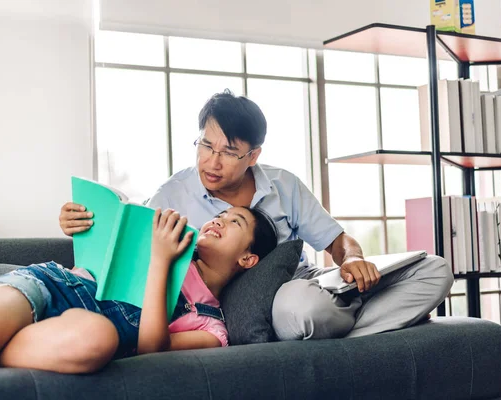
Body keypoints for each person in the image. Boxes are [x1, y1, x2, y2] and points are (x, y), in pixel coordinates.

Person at [60, 89, 454, 341]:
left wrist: (352, 258)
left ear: (253, 155)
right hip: (269, 301)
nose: (211, 162)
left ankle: (340, 325)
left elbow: (336, 240)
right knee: (299, 311)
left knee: (435, 269)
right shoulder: (173, 193)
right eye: (205, 145)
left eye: (229, 153)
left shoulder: (283, 184)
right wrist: (77, 224)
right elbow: (131, 243)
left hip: (309, 281)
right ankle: (334, 323)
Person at [0, 205, 278, 373]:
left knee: (99, 340)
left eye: (235, 222)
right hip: (49, 286)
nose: (219, 220)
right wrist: (80, 223)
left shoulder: (211, 328)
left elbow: (151, 350)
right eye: (220, 214)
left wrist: (161, 263)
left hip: (77, 329)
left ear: (248, 259)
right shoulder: (161, 239)